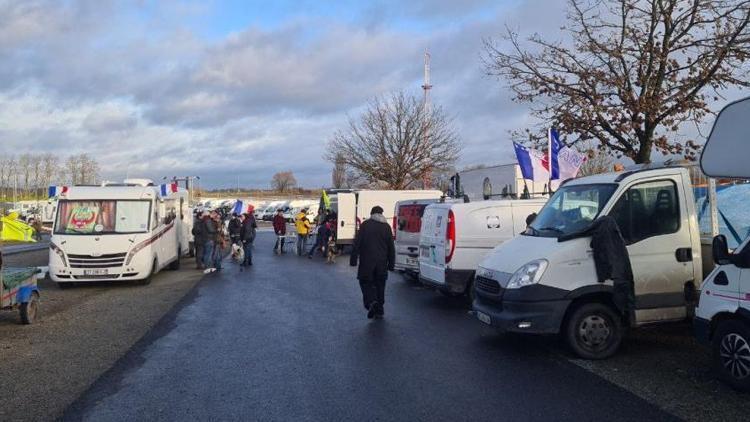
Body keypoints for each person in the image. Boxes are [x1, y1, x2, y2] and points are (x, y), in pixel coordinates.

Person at [350, 206, 395, 319]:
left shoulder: (365, 225)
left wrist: (353, 260)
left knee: (365, 282)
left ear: (371, 214)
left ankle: (371, 302)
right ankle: (379, 309)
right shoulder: (386, 227)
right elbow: (391, 247)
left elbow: (357, 243)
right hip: (382, 263)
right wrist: (391, 264)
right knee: (380, 285)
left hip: (367, 262)